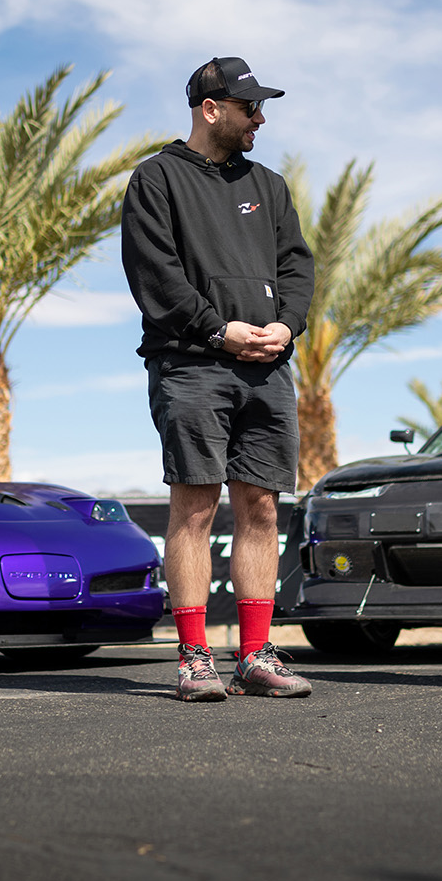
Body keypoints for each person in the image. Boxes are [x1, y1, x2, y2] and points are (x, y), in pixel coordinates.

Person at [122, 57, 316, 702]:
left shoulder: (269, 185)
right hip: (191, 364)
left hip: (267, 367)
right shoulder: (156, 178)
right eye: (249, 107)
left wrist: (287, 325)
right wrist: (216, 330)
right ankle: (194, 657)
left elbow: (297, 267)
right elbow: (154, 274)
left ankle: (255, 654)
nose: (260, 119)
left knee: (261, 506)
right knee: (196, 505)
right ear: (211, 108)